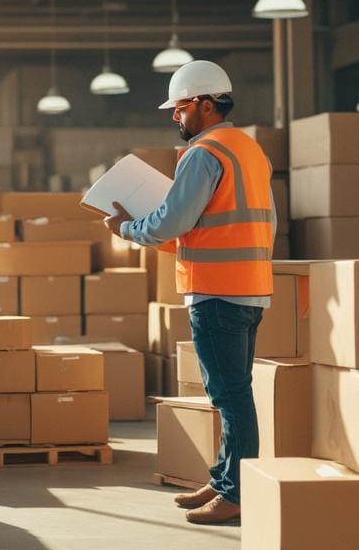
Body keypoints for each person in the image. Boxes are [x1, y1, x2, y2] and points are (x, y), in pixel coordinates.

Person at [102, 60, 275, 526]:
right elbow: (220, 223)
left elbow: (174, 222)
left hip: (216, 292)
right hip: (250, 288)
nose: (175, 117)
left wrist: (128, 228)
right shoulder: (248, 150)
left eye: (179, 108)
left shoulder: (203, 153)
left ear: (203, 105)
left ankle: (235, 492)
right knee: (232, 394)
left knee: (230, 397)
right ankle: (223, 480)